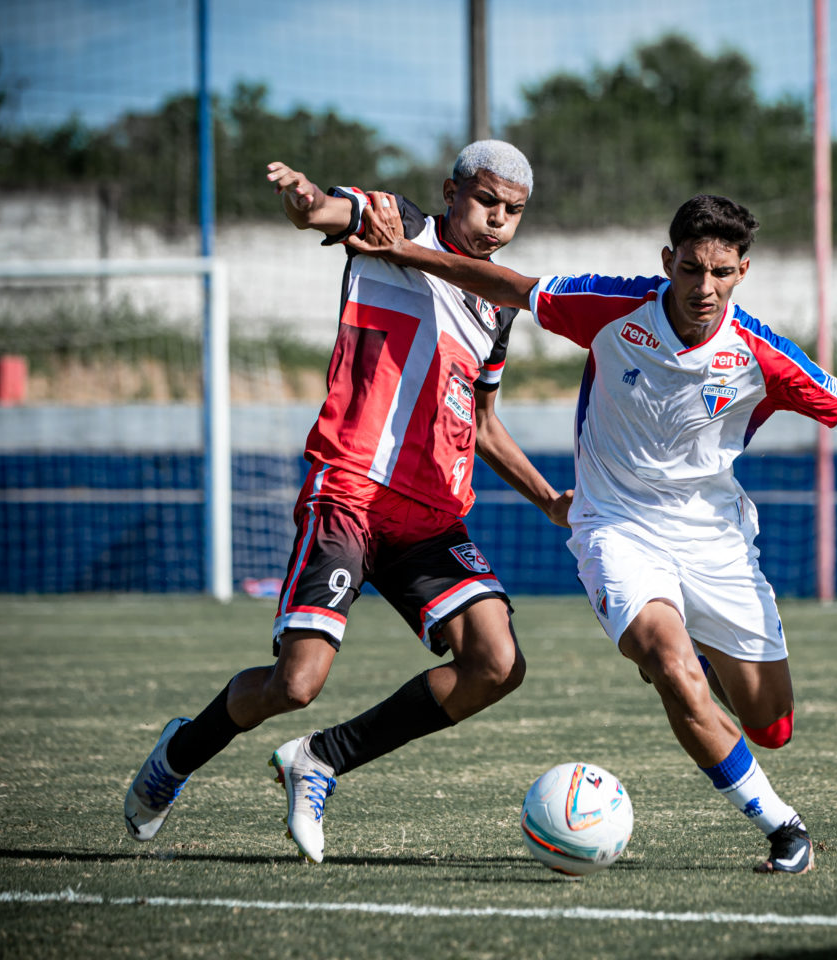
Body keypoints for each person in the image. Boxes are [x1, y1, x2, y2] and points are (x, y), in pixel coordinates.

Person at [344, 192, 837, 875]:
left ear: (743, 271)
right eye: (692, 268)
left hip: (714, 542)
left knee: (770, 724)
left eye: (722, 272)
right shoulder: (611, 306)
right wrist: (405, 252)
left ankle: (702, 661)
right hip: (616, 529)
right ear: (669, 261)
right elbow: (503, 282)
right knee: (668, 659)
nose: (705, 285)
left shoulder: (763, 354)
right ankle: (784, 826)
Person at [124, 140, 572, 863]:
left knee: (497, 662)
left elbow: (484, 423)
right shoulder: (395, 223)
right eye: (486, 201)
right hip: (350, 492)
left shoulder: (495, 306)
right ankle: (181, 752)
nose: (497, 221)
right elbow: (329, 212)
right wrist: (307, 202)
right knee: (296, 683)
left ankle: (323, 759)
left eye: (513, 211)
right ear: (452, 192)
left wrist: (550, 499)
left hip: (431, 516)